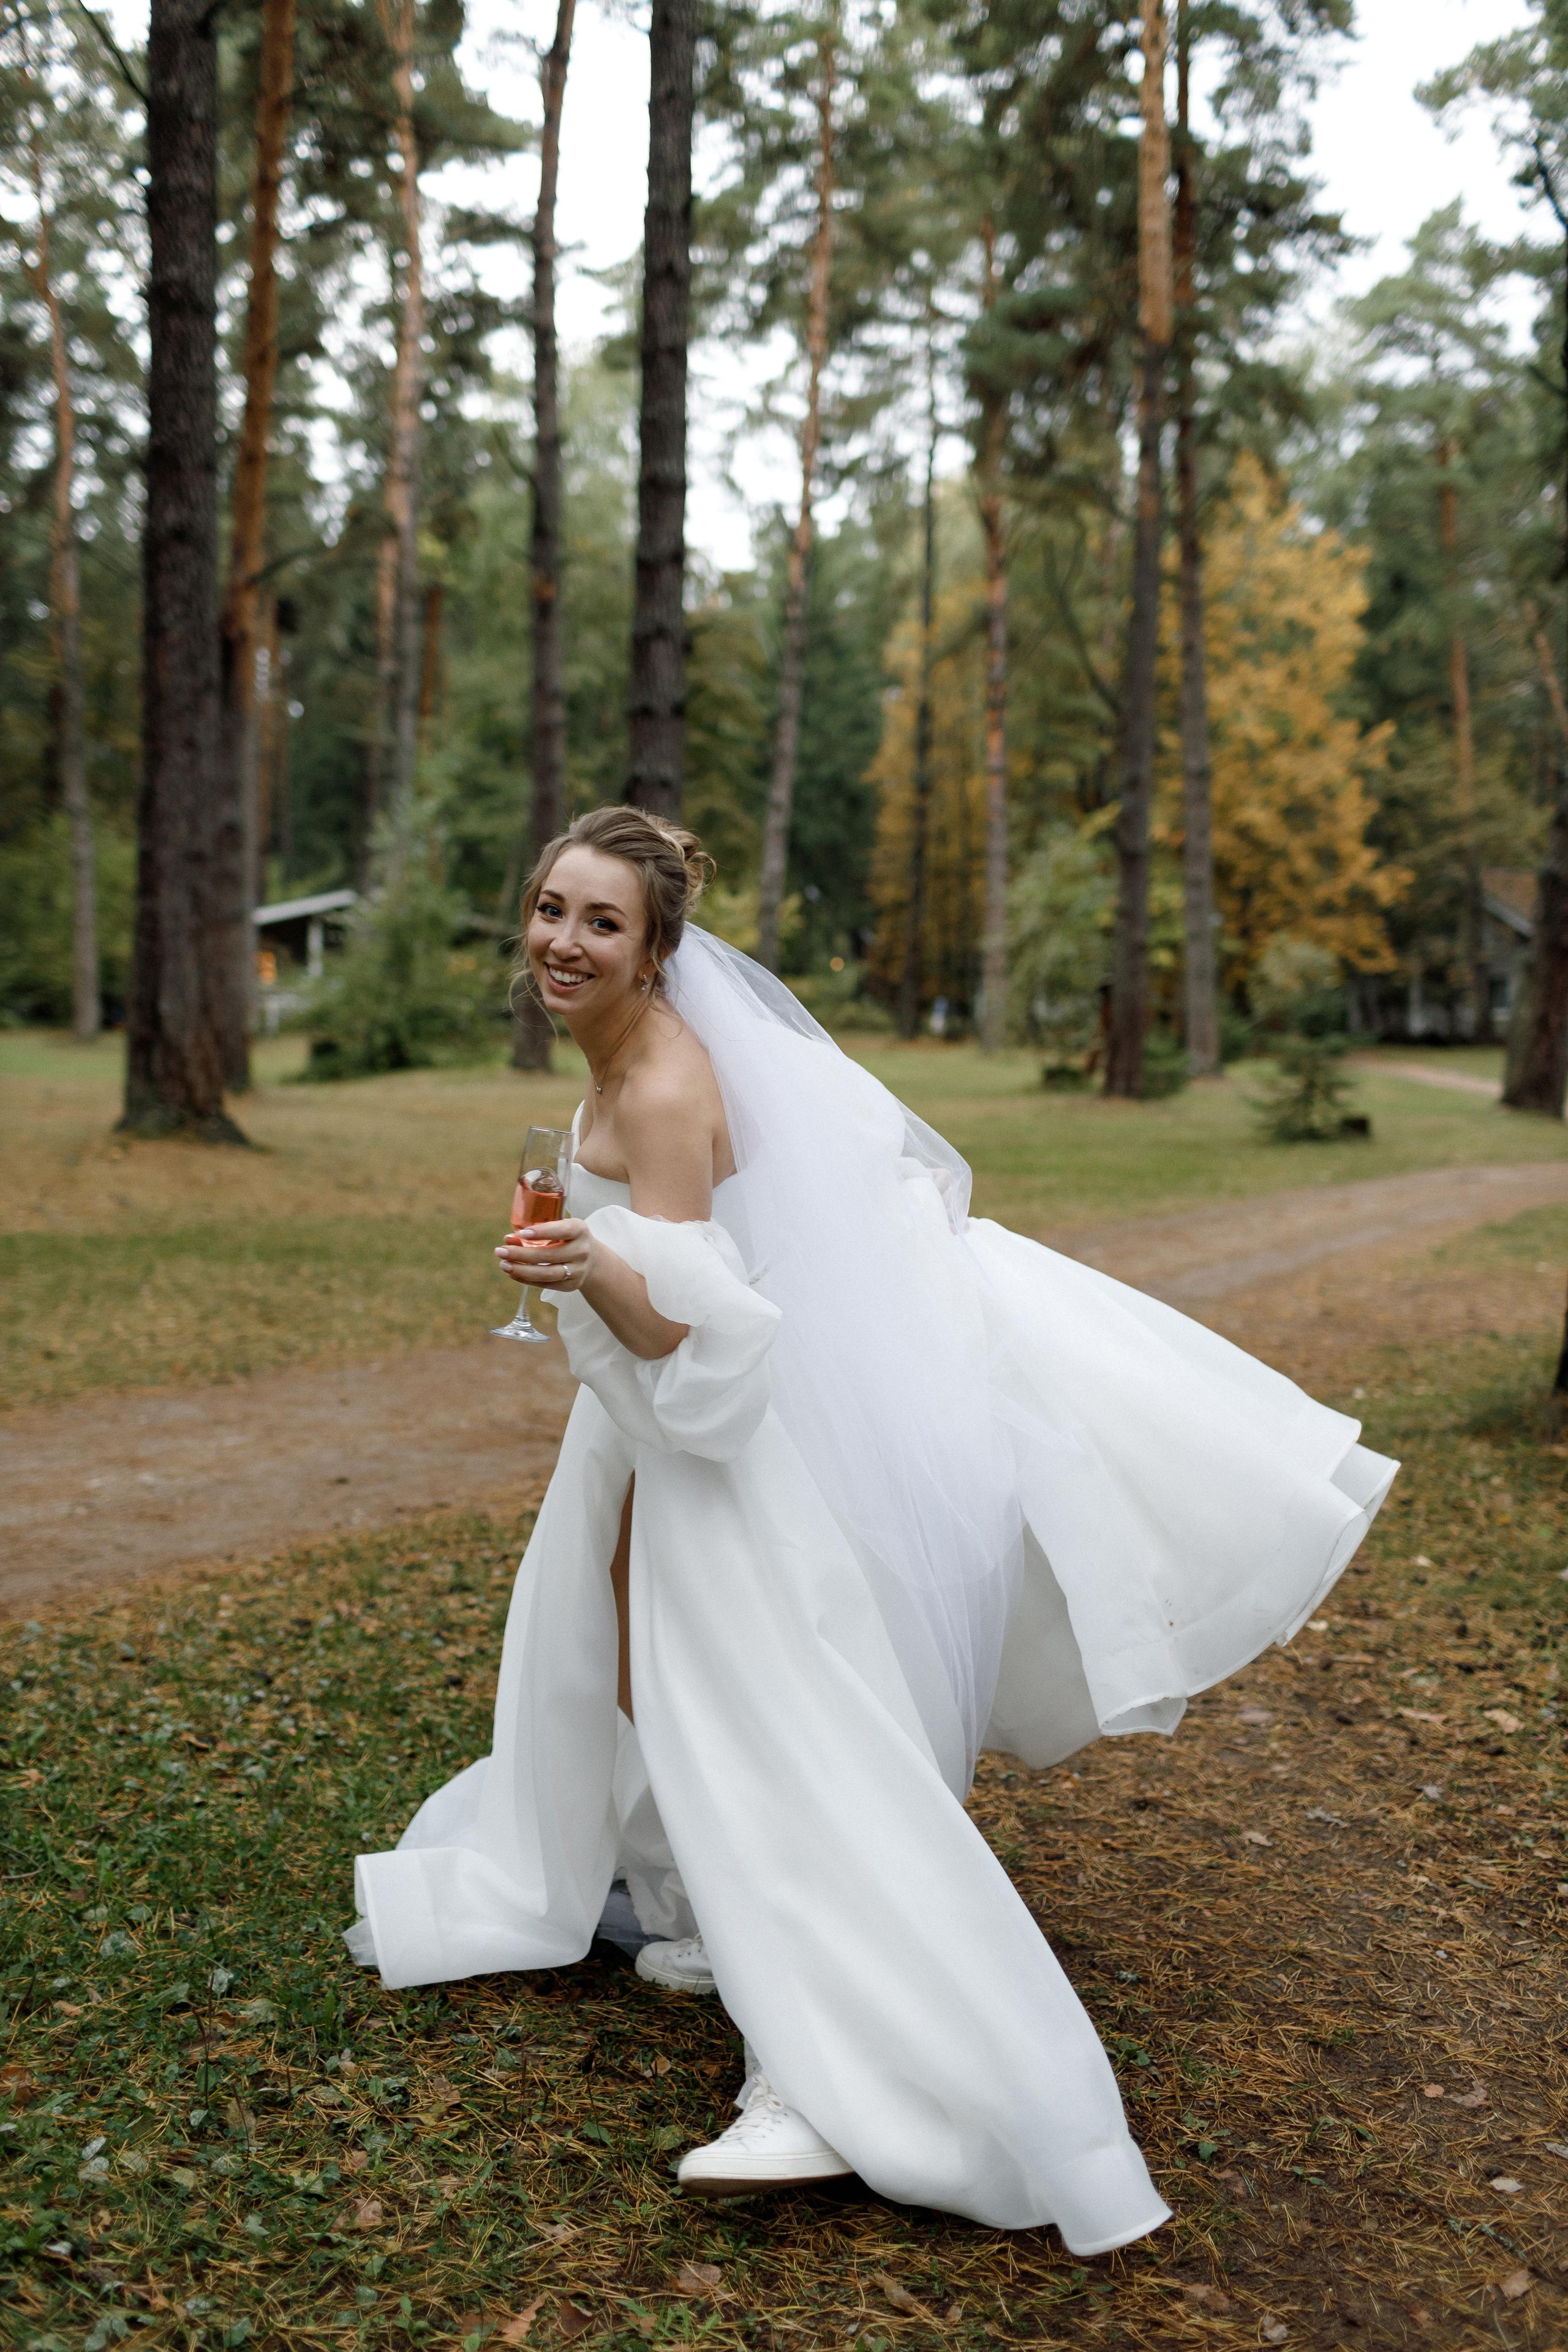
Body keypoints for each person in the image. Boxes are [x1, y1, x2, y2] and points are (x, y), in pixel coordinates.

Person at [346, 805, 1396, 2250]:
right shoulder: (620, 1063)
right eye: (547, 909)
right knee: (620, 1650)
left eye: (600, 921)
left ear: (657, 952)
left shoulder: (657, 1089)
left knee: (780, 1729)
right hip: (644, 1441)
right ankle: (698, 1909)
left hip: (714, 1440)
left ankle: (822, 2071)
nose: (561, 941)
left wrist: (584, 1268)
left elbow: (696, 1342)